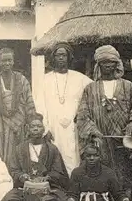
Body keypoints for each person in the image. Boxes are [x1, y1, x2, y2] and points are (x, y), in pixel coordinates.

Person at [76, 45, 132, 201]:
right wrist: (93, 131)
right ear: (99, 65)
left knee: (124, 175)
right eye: (104, 62)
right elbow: (83, 113)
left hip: (123, 142)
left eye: (111, 62)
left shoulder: (128, 86)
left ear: (117, 64)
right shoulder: (90, 88)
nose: (108, 65)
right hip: (99, 142)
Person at [0, 113, 69, 201]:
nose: (36, 129)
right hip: (24, 189)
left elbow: (58, 171)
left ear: (43, 129)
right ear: (28, 128)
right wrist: (22, 176)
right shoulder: (20, 148)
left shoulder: (52, 149)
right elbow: (14, 169)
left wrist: (47, 178)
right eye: (32, 126)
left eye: (38, 126)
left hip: (48, 189)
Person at [34, 43, 92, 175]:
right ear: (53, 58)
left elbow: (94, 90)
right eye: (58, 55)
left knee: (73, 156)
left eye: (64, 55)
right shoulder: (45, 79)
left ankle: (73, 185)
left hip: (73, 126)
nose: (61, 58)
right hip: (53, 126)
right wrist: (46, 128)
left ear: (69, 58)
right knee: (55, 156)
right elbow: (40, 106)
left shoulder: (80, 78)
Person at [0, 48, 36, 165]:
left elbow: (29, 103)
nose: (7, 63)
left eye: (9, 60)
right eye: (4, 60)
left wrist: (32, 124)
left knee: (19, 155)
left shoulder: (22, 80)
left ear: (13, 61)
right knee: (0, 157)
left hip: (18, 127)